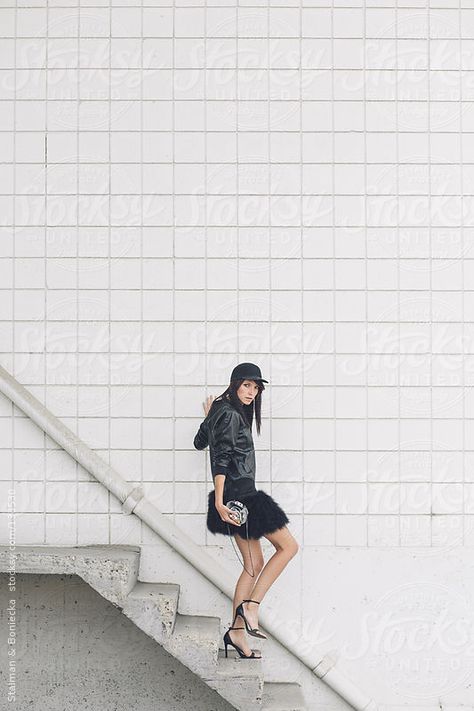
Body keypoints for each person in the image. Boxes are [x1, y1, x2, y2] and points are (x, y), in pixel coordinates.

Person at [193, 362, 299, 659]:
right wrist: (219, 500)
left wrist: (209, 418)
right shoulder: (229, 413)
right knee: (288, 547)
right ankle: (251, 606)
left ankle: (237, 633)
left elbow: (199, 442)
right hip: (241, 496)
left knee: (253, 565)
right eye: (247, 385)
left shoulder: (221, 410)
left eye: (256, 387)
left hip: (236, 495)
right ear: (235, 383)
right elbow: (221, 457)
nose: (252, 392)